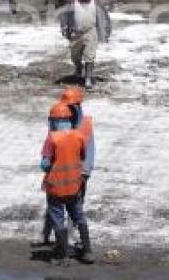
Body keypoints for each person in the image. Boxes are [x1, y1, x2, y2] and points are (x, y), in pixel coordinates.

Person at [40, 87, 95, 248]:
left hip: (76, 175)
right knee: (56, 209)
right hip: (60, 176)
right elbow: (50, 149)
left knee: (73, 210)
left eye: (72, 106)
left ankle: (67, 241)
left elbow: (89, 151)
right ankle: (46, 236)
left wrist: (84, 172)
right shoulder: (60, 119)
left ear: (78, 106)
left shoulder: (84, 124)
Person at [60, 0, 111, 89]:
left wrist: (106, 31)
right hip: (76, 32)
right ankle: (78, 68)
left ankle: (88, 78)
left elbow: (104, 16)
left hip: (90, 31)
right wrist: (65, 28)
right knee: (75, 56)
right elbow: (65, 15)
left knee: (90, 55)